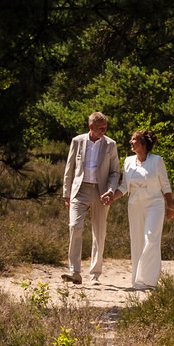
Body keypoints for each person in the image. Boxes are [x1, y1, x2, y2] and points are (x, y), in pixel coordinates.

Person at [61, 112, 121, 284]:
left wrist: (110, 190)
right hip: (79, 190)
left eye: (105, 128)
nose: (103, 131)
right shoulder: (77, 141)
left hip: (101, 192)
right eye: (100, 128)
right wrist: (66, 194)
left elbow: (115, 171)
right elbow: (69, 169)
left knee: (99, 232)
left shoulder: (111, 144)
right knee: (74, 227)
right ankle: (75, 272)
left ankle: (95, 274)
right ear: (91, 127)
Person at [123, 129, 174, 291]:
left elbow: (165, 186)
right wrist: (110, 196)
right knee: (137, 241)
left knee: (151, 239)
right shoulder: (128, 161)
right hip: (135, 206)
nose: (131, 142)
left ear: (143, 144)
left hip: (155, 205)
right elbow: (124, 187)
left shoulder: (157, 161)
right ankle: (138, 281)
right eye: (131, 140)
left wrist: (170, 207)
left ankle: (148, 281)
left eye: (134, 140)